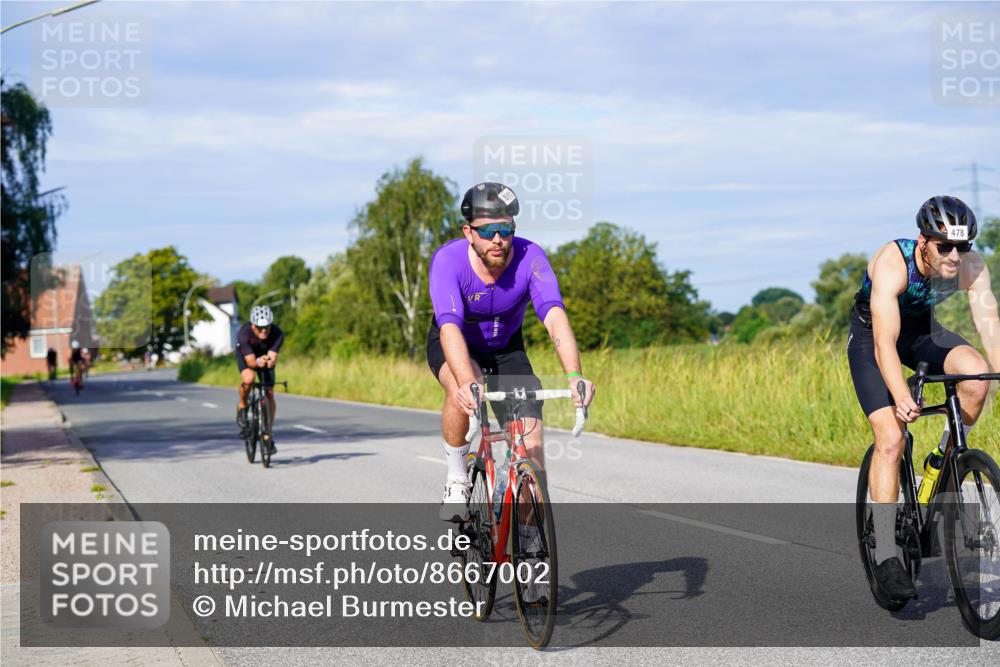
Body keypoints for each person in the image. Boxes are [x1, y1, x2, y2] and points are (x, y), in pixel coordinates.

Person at [848, 195, 1000, 601]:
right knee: (892, 439)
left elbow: (989, 321)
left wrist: (998, 369)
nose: (954, 256)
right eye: (944, 246)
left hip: (921, 334)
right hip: (872, 337)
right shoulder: (892, 262)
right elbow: (884, 343)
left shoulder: (970, 266)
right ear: (923, 242)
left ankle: (945, 459)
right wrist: (900, 396)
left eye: (962, 246)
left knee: (976, 376)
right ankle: (885, 552)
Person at [428, 182, 596, 522]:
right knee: (464, 385)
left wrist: (575, 375)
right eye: (488, 231)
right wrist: (465, 381)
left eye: (505, 229)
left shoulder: (530, 256)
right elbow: (449, 327)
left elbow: (554, 317)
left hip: (507, 350)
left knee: (533, 453)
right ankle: (457, 477)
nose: (498, 239)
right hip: (456, 344)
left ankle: (530, 534)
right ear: (468, 231)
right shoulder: (448, 261)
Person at [235, 305, 284, 453]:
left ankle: (268, 432)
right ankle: (243, 404)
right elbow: (250, 362)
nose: (264, 331)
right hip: (247, 355)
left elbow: (273, 357)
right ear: (253, 325)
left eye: (267, 327)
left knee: (269, 391)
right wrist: (257, 362)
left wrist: (269, 361)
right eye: (260, 328)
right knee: (249, 379)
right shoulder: (244, 333)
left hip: (264, 355)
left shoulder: (277, 333)